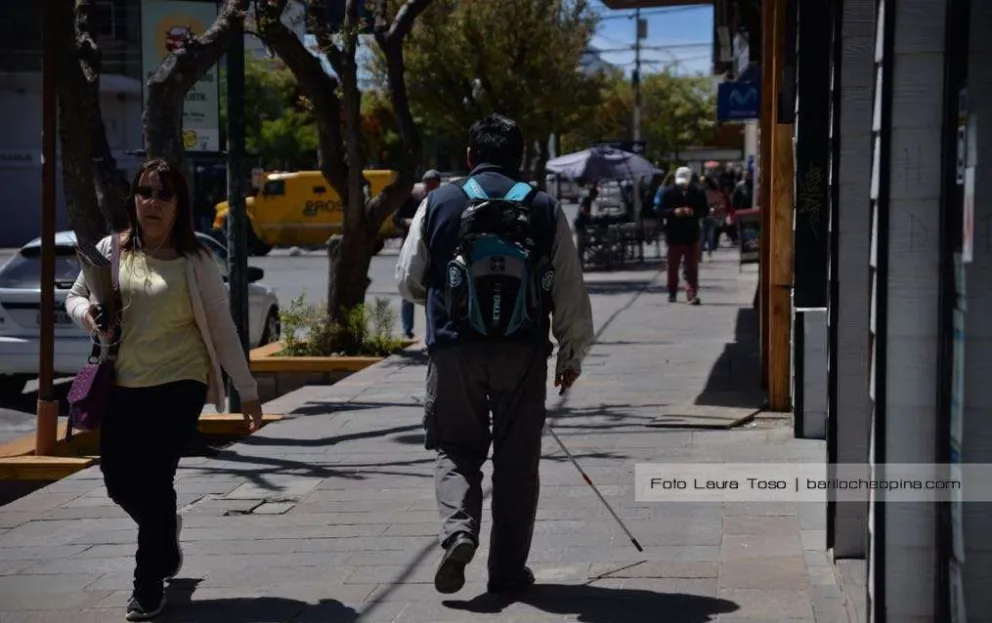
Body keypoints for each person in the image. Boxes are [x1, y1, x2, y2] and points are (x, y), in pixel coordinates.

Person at [395, 113, 594, 596]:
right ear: (521, 158)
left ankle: (459, 532)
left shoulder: (438, 201)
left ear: (469, 156)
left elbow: (407, 278)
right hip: (522, 351)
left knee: (455, 448)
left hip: (454, 348)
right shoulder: (545, 208)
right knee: (517, 463)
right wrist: (571, 355)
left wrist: (444, 304)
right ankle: (506, 572)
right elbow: (568, 288)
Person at [66, 159, 263, 622]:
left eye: (164, 194)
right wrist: (88, 316)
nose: (153, 202)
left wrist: (248, 390)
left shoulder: (195, 262)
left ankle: (146, 587)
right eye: (145, 191)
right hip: (123, 385)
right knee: (118, 481)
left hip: (180, 384)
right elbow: (73, 295)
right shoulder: (111, 250)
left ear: (179, 206)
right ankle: (164, 533)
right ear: (134, 199)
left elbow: (223, 327)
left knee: (155, 481)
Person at [393, 170, 442, 338]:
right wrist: (408, 221)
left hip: (432, 251)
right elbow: (396, 218)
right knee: (408, 289)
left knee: (432, 294)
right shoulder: (413, 199)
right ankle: (407, 330)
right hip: (411, 248)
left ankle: (431, 332)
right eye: (428, 185)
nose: (430, 189)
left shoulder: (440, 201)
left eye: (434, 185)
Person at [656, 166, 707, 304]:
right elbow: (659, 210)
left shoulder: (698, 192)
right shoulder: (667, 192)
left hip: (691, 234)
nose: (683, 185)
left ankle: (691, 293)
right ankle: (672, 291)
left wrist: (694, 212)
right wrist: (674, 212)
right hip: (674, 235)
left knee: (691, 267)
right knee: (673, 266)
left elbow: (704, 210)